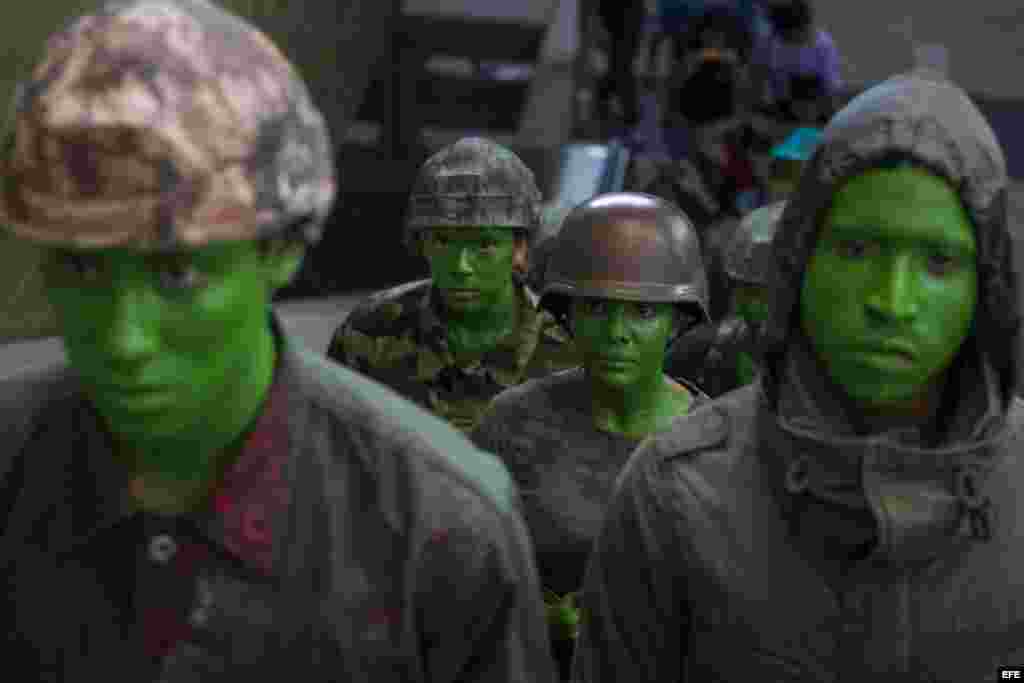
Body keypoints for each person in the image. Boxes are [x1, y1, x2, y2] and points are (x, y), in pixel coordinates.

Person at [0, 2, 558, 681]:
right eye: (83, 268)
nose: (125, 337)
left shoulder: (441, 531)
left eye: (178, 273)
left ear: (282, 249)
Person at [572, 69, 1024, 681]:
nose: (893, 302)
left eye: (939, 261)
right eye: (857, 250)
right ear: (801, 261)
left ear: (986, 284)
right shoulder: (678, 498)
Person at [471, 192, 710, 681]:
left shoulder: (715, 445)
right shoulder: (513, 425)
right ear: (568, 314)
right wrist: (536, 614)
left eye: (644, 312)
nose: (617, 332)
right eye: (598, 308)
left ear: (678, 320)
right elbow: (461, 570)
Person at [327, 137, 578, 434]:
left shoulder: (570, 349)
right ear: (422, 243)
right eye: (443, 241)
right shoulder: (370, 332)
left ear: (520, 249)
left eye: (484, 245)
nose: (461, 266)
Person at [666, 199, 784, 396]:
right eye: (747, 290)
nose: (755, 306)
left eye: (769, 293)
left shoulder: (824, 365)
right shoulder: (699, 350)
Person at [752, 0, 842, 122]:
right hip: (780, 108)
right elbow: (756, 80)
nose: (792, 41)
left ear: (805, 27)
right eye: (786, 37)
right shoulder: (767, 43)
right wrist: (757, 109)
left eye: (798, 36)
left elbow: (831, 90)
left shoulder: (823, 46)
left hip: (816, 108)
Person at [595, 0, 647, 128]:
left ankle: (605, 101)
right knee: (621, 68)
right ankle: (627, 113)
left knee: (620, 67)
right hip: (623, 21)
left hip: (624, 21)